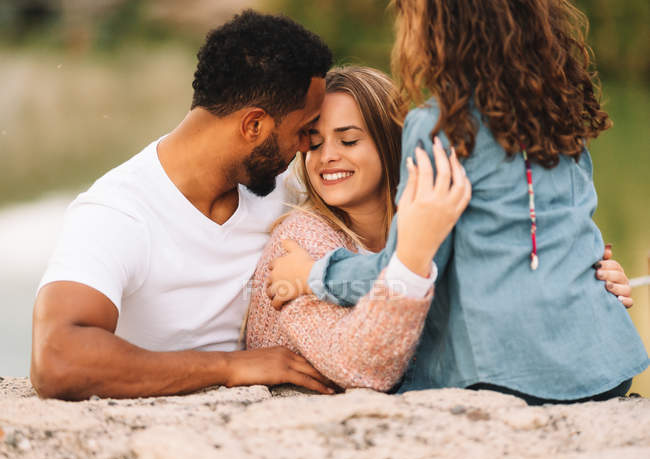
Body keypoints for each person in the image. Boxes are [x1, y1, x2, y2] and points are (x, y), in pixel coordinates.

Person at [268, 0, 648, 403]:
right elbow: (570, 246)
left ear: (438, 30)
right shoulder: (560, 117)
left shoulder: (440, 128)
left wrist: (311, 274)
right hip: (605, 362)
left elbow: (404, 267)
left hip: (510, 377)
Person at [30, 10, 336, 400]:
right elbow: (57, 360)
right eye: (302, 130)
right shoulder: (117, 212)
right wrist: (229, 366)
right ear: (253, 126)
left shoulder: (283, 185)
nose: (308, 146)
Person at [246, 66, 470, 391]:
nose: (327, 157)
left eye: (348, 141)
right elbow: (361, 366)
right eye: (315, 144)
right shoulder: (299, 241)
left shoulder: (429, 226)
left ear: (391, 142)